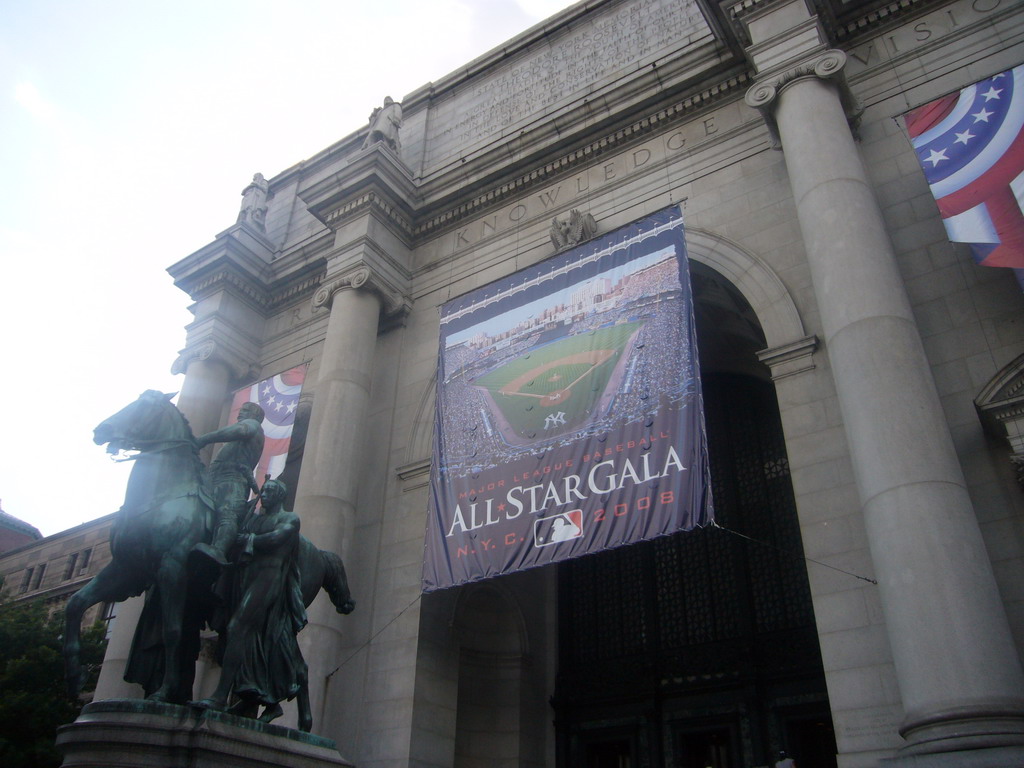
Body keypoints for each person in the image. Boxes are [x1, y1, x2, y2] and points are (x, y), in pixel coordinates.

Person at [193, 479, 309, 726]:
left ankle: (219, 696)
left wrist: (246, 539)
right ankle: (258, 696)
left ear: (279, 495)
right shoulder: (254, 520)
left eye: (269, 492)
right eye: (263, 492)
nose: (264, 496)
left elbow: (277, 539)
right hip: (247, 578)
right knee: (236, 633)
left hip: (270, 580)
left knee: (238, 628)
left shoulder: (289, 518)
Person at [193, 401, 265, 566]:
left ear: (255, 416)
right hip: (215, 478)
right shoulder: (248, 428)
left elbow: (240, 430)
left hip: (233, 478)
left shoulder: (252, 425)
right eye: (241, 409)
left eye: (245, 410)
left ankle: (218, 550)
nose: (240, 413)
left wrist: (204, 439)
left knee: (227, 514)